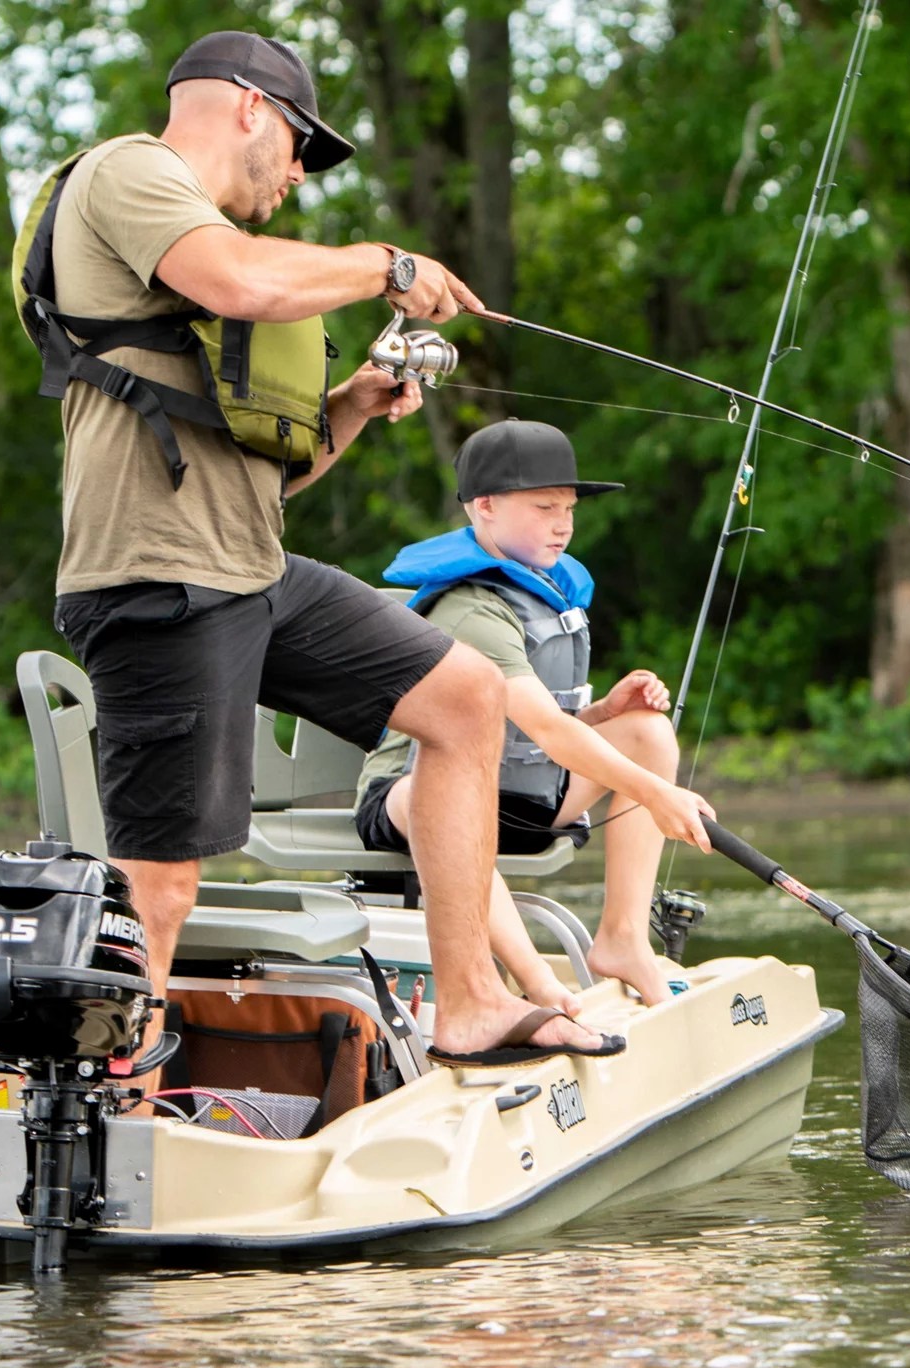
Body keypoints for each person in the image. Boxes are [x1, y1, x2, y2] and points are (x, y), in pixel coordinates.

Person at [44, 30, 618, 1064]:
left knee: (463, 698)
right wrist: (385, 267)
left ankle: (473, 1003)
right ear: (249, 109)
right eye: (304, 141)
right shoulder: (132, 174)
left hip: (252, 572)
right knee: (163, 885)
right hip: (156, 581)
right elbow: (244, 284)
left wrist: (349, 406)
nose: (302, 169)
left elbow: (272, 475)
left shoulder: (196, 254)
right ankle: (116, 1102)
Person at [355, 418, 716, 1010]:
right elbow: (548, 731)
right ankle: (537, 986)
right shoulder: (472, 609)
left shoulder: (548, 588)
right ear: (486, 507)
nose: (564, 523)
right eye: (545, 505)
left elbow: (534, 730)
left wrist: (602, 713)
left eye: (569, 507)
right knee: (452, 804)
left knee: (648, 732)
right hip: (417, 801)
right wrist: (658, 794)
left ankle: (623, 941)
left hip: (520, 798)